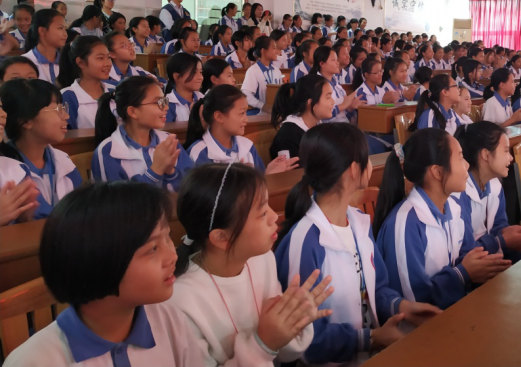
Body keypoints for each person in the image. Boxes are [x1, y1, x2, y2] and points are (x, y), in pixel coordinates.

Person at [2, 181, 232, 367]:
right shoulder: (35, 361)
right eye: (153, 248)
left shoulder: (169, 321)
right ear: (98, 262)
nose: (172, 255)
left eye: (168, 237)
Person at [275, 123, 441, 364]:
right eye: (367, 159)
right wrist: (370, 338)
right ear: (354, 170)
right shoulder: (306, 242)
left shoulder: (357, 222)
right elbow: (304, 339)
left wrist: (403, 307)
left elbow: (377, 288)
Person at [170, 163, 331, 367]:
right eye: (262, 213)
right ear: (221, 237)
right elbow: (268, 348)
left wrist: (292, 323)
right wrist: (263, 345)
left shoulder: (261, 259)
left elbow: (280, 355)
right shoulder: (180, 301)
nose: (274, 216)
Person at [374, 128, 508, 310]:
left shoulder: (454, 208)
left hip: (453, 311)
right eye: (460, 158)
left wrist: (486, 266)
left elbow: (470, 255)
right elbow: (414, 301)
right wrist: (463, 274)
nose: (467, 165)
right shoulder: (406, 223)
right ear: (437, 172)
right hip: (419, 330)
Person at [454, 122, 521, 260]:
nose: (511, 158)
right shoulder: (460, 192)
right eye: (506, 151)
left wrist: (510, 234)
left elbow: (498, 226)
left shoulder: (495, 185)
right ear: (486, 155)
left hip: (488, 256)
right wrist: (502, 241)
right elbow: (463, 249)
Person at [0, 79, 82, 219]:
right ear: (26, 121)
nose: (66, 116)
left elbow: (83, 209)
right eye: (57, 109)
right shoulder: (10, 171)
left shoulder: (63, 160)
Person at [93, 76, 193, 190]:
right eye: (158, 102)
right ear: (133, 111)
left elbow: (191, 187)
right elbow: (117, 204)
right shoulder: (109, 151)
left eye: (164, 100)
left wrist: (171, 172)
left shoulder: (168, 141)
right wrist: (155, 171)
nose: (165, 107)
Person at [186, 85, 298, 173]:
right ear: (219, 116)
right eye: (241, 113)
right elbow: (205, 197)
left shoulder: (247, 147)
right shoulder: (200, 152)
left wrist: (268, 174)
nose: (246, 119)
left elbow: (259, 188)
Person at [269, 74, 335, 163]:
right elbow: (291, 174)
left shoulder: (319, 127)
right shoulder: (288, 136)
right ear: (310, 103)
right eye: (328, 97)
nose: (333, 102)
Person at [58, 36, 114, 129]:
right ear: (81, 62)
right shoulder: (68, 96)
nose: (108, 63)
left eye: (108, 57)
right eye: (100, 58)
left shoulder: (114, 91)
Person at [311, 45, 362, 123]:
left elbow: (343, 113)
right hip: (328, 128)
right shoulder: (317, 84)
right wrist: (344, 105)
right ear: (322, 64)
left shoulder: (335, 81)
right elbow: (321, 116)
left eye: (337, 60)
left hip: (342, 124)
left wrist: (350, 107)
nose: (337, 63)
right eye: (333, 60)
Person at [23, 8, 67, 85]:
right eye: (60, 28)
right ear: (42, 31)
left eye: (65, 29)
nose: (65, 34)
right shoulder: (25, 62)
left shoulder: (66, 62)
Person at [241, 36, 284, 115]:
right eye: (273, 48)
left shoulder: (277, 71)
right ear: (263, 51)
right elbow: (246, 95)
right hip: (258, 115)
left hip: (275, 114)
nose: (277, 51)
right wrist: (263, 106)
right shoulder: (253, 71)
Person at [165, 53, 204, 122]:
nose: (200, 77)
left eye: (200, 72)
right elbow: (167, 131)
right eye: (194, 72)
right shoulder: (168, 105)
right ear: (177, 77)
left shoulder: (203, 98)